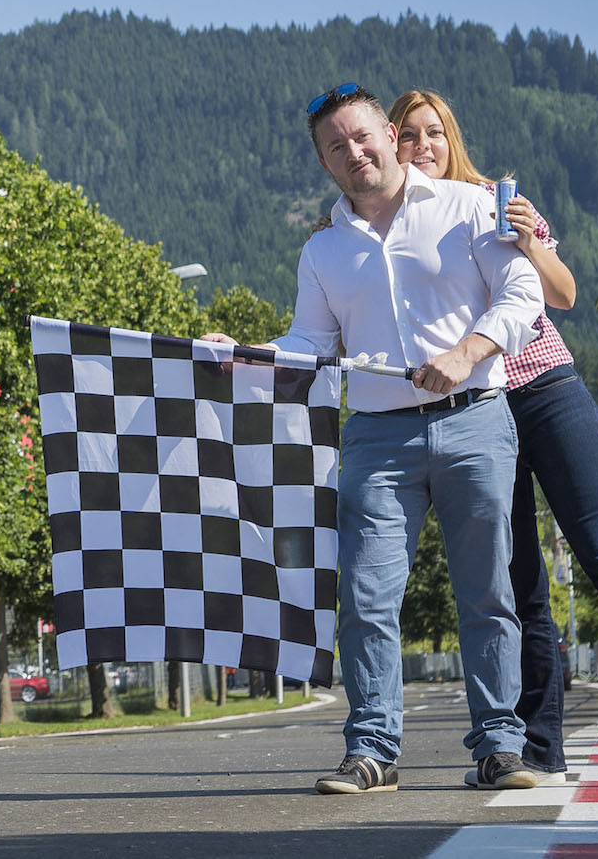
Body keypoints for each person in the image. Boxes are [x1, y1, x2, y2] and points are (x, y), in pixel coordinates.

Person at [207, 83, 545, 794]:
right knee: (366, 598)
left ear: (390, 136)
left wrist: (467, 353)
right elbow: (310, 343)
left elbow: (523, 294)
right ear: (325, 164)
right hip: (376, 439)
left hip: (475, 419)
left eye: (362, 136)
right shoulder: (323, 249)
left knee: (487, 592)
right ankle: (372, 751)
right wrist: (243, 356)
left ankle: (500, 748)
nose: (353, 151)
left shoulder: (466, 206)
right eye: (337, 146)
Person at [390, 88, 598, 788]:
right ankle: (538, 750)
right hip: (478, 411)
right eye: (408, 135)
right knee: (518, 584)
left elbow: (563, 293)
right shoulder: (392, 229)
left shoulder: (496, 200)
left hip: (547, 390)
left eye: (433, 132)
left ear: (451, 138)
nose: (423, 146)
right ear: (392, 145)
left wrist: (531, 242)